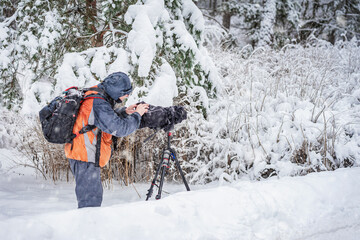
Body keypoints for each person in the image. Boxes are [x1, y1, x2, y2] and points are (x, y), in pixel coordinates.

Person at [64, 72, 149, 208]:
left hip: (81, 153)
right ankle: (88, 227)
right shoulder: (99, 102)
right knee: (90, 203)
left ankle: (89, 225)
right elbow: (120, 128)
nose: (127, 95)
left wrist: (125, 112)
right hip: (85, 156)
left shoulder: (97, 95)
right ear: (116, 91)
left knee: (91, 198)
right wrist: (138, 115)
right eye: (125, 92)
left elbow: (99, 119)